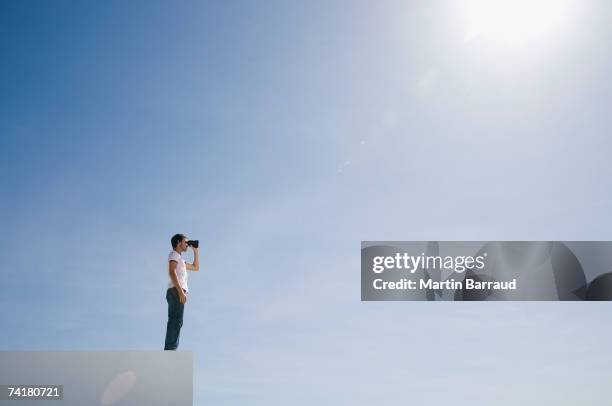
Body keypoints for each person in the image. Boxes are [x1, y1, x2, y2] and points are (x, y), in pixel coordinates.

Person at [164, 233, 199, 350]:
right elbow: (171, 272)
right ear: (179, 242)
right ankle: (170, 350)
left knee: (177, 322)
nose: (187, 245)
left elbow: (195, 267)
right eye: (186, 242)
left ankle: (171, 349)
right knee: (175, 321)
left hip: (177, 291)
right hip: (176, 291)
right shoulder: (174, 254)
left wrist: (196, 252)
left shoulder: (181, 260)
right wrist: (180, 292)